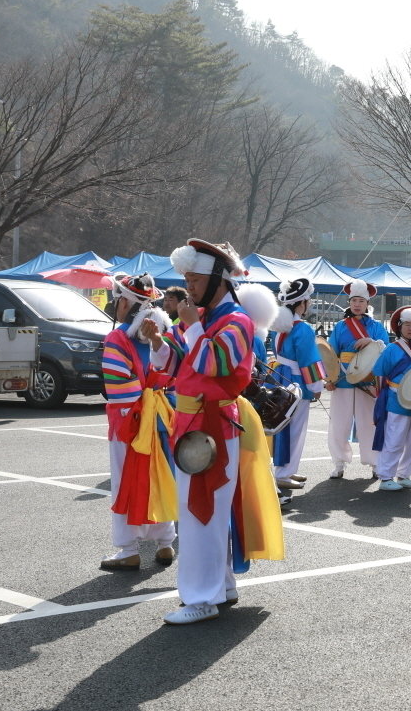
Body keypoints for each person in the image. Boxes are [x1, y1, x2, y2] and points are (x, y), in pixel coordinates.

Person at [148, 239, 284, 625]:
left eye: (194, 279)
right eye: (186, 279)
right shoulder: (205, 318)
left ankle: (201, 598)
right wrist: (160, 343)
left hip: (211, 424)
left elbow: (218, 365)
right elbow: (179, 364)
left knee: (200, 514)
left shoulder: (235, 321)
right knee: (205, 513)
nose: (187, 287)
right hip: (195, 422)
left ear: (216, 281)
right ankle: (219, 587)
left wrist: (190, 328)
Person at [99, 273, 177, 571]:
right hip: (159, 417)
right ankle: (165, 543)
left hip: (129, 421)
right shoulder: (162, 336)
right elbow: (169, 375)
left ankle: (128, 549)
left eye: (118, 299)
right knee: (159, 477)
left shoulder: (118, 338)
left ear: (125, 303)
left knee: (125, 483)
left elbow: (118, 392)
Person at [269, 278, 327, 492]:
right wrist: (316, 387)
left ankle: (287, 470)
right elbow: (309, 360)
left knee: (284, 427)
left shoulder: (279, 326)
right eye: (308, 301)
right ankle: (284, 473)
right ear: (301, 303)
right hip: (298, 381)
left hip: (281, 376)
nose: (309, 304)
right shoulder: (302, 329)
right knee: (296, 428)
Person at [327, 279, 388, 478]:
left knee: (369, 423)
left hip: (367, 382)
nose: (357, 304)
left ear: (367, 303)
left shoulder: (377, 327)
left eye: (361, 301)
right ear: (349, 302)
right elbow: (330, 353)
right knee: (339, 423)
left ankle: (375, 463)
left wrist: (371, 341)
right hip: (342, 380)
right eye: (354, 300)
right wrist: (329, 378)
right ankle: (339, 462)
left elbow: (385, 350)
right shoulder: (340, 326)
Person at [371, 307, 411, 491]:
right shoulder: (391, 350)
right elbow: (379, 375)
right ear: (400, 326)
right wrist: (381, 399)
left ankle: (405, 475)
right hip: (396, 400)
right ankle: (386, 477)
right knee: (394, 439)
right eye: (408, 325)